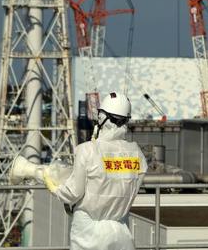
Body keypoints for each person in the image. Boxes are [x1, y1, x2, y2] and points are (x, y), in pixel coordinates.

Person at [44, 92, 148, 250]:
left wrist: (55, 188)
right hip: (120, 231)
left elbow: (74, 192)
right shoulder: (137, 155)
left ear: (102, 118)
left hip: (88, 233)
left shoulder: (87, 150)